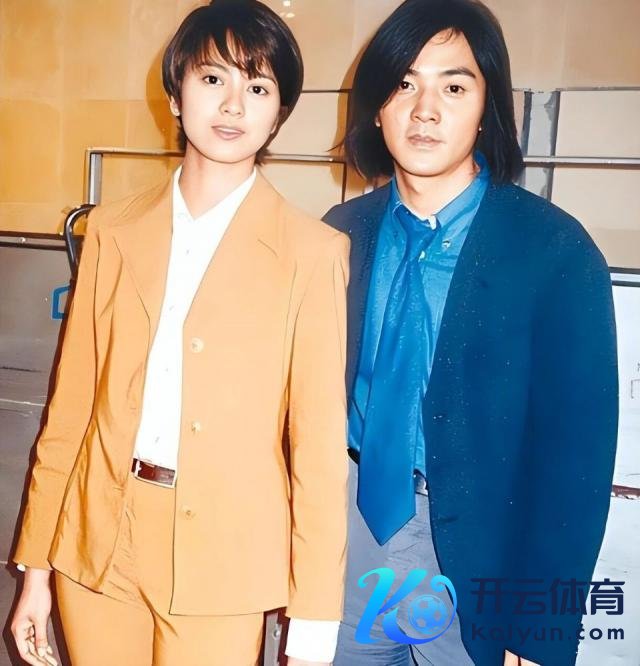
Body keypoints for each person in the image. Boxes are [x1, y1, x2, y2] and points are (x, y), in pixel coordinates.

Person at [10, 2, 349, 665]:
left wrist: (314, 614)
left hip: (225, 557)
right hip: (97, 543)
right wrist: (36, 568)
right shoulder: (112, 228)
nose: (233, 105)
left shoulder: (312, 252)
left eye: (258, 87)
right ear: (175, 95)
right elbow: (70, 410)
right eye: (212, 78)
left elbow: (316, 448)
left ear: (278, 113)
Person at [323, 0, 618, 664]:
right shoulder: (339, 235)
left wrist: (538, 633)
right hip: (348, 533)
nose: (425, 110)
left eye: (454, 87)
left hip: (481, 556)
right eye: (404, 84)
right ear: (377, 107)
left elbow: (575, 462)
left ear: (487, 107)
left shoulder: (554, 252)